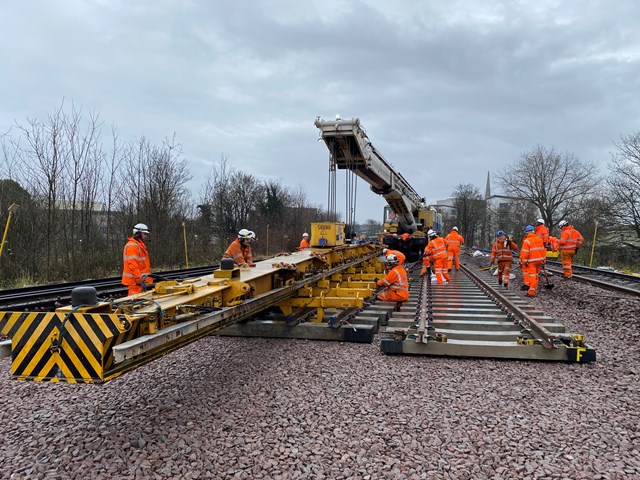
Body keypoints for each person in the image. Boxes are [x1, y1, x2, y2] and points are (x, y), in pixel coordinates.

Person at [122, 223, 153, 296]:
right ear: (138, 233)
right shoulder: (133, 246)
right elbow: (133, 265)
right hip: (136, 282)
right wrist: (139, 279)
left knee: (144, 303)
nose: (146, 236)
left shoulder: (139, 245)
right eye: (144, 234)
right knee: (136, 303)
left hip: (141, 281)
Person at [520, 224, 547, 296]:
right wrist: (544, 260)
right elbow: (543, 251)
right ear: (533, 231)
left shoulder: (527, 241)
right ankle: (534, 288)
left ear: (526, 232)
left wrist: (524, 262)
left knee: (532, 276)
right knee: (536, 275)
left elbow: (525, 254)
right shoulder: (540, 240)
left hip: (531, 261)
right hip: (539, 261)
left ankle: (531, 292)